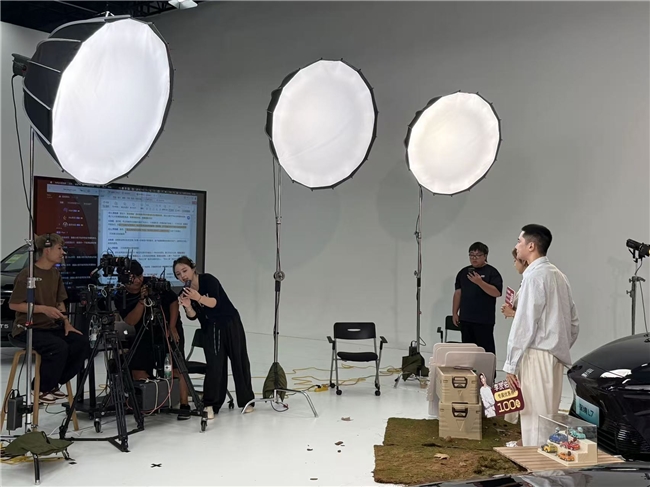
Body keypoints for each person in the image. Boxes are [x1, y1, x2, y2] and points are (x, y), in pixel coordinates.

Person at [504, 224, 580, 447]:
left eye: (519, 241)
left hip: (537, 354)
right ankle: (541, 459)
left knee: (534, 417)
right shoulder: (559, 275)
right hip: (553, 355)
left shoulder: (535, 276)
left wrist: (511, 363)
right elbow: (573, 322)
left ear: (531, 246)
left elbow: (525, 324)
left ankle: (535, 464)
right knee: (548, 415)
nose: (516, 245)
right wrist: (559, 345)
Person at [9, 234, 89, 404]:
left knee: (81, 343)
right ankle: (40, 388)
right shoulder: (27, 274)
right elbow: (14, 304)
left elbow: (60, 302)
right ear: (47, 250)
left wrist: (66, 323)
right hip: (28, 328)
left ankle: (53, 383)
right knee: (58, 347)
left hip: (50, 327)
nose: (63, 252)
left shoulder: (55, 274)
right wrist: (43, 309)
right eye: (59, 248)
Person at [173, 256, 254, 419]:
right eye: (178, 274)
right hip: (210, 328)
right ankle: (211, 403)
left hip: (229, 322)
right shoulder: (184, 292)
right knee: (215, 365)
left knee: (239, 360)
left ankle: (247, 401)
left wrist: (198, 297)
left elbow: (214, 303)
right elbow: (193, 316)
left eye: (184, 270)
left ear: (193, 269)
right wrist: (188, 306)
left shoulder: (208, 280)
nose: (183, 276)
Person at [116, 260, 190, 420]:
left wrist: (172, 326)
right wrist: (142, 300)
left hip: (168, 328)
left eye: (140, 276)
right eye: (134, 278)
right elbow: (130, 320)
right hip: (144, 332)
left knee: (177, 367)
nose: (139, 280)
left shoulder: (153, 283)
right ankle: (152, 401)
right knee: (138, 370)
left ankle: (184, 404)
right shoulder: (121, 296)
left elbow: (173, 302)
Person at [452, 242, 503, 355]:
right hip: (466, 318)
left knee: (485, 351)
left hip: (484, 320)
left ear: (485, 256)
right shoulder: (463, 272)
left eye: (478, 255)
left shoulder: (492, 272)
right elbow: (458, 293)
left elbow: (497, 292)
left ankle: (488, 368)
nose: (474, 258)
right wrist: (455, 312)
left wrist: (480, 282)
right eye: (471, 255)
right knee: (468, 351)